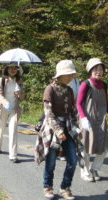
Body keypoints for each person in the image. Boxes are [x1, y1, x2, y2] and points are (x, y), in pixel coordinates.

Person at [35, 60, 81, 200]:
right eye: (68, 74)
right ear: (60, 75)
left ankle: (65, 187)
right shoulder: (50, 89)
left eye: (72, 74)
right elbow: (48, 113)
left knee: (73, 160)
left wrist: (78, 126)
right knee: (51, 160)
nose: (71, 77)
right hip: (52, 128)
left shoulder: (69, 90)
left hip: (68, 127)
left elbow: (73, 111)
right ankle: (47, 186)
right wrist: (57, 130)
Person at [76, 58, 108, 182]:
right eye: (96, 69)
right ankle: (85, 171)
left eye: (100, 69)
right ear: (90, 70)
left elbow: (106, 102)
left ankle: (95, 169)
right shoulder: (86, 84)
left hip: (100, 121)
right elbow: (78, 103)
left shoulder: (104, 85)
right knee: (86, 147)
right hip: (87, 120)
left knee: (103, 148)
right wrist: (83, 118)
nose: (98, 72)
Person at [0, 64, 24, 163]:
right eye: (10, 68)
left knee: (13, 130)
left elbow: (22, 97)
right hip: (3, 108)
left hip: (14, 110)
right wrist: (6, 103)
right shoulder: (1, 80)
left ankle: (13, 155)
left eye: (15, 68)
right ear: (6, 69)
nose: (12, 70)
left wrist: (19, 94)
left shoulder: (19, 82)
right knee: (0, 127)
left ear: (17, 70)